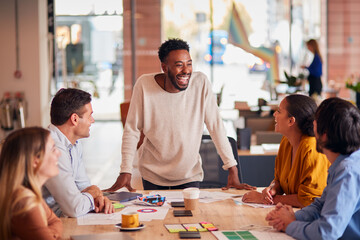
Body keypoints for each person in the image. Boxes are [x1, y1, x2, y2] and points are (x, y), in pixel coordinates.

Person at [105, 38, 255, 191]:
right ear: (164, 67)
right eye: (179, 65)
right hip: (153, 175)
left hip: (189, 175)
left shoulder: (200, 83)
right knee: (157, 215)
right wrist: (126, 170)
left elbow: (216, 126)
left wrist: (232, 168)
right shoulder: (144, 85)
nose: (186, 70)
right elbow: (132, 130)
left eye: (189, 64)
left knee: (191, 214)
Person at [266, 97, 360, 239]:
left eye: (316, 122)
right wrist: (291, 217)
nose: (311, 124)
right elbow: (320, 206)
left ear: (324, 134)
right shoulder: (342, 164)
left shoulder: (347, 172)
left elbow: (326, 232)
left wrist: (290, 224)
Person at [242, 94, 329, 208]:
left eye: (279, 111)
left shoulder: (312, 149)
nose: (274, 114)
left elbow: (309, 200)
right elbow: (280, 180)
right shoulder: (286, 141)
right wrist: (272, 189)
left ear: (291, 121)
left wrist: (266, 199)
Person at [42, 88, 114, 217]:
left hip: (63, 217)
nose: (92, 120)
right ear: (74, 119)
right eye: (89, 115)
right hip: (47, 223)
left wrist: (98, 198)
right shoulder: (53, 148)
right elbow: (74, 208)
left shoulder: (74, 143)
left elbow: (83, 187)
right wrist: (93, 195)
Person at [0, 127, 62, 240]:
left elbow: (55, 221)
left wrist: (50, 233)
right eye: (53, 149)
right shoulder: (26, 203)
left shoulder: (28, 192)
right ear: (35, 161)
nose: (59, 153)